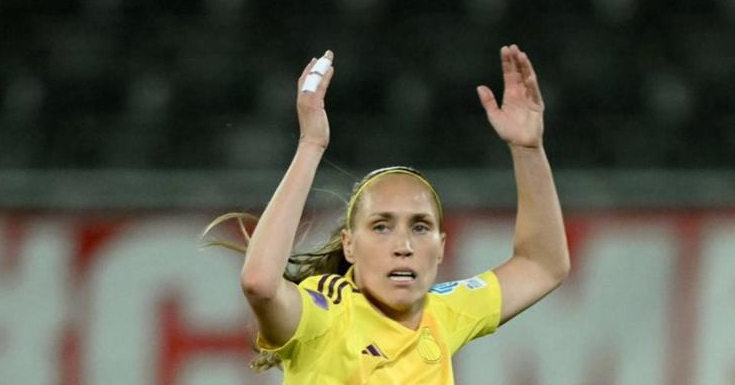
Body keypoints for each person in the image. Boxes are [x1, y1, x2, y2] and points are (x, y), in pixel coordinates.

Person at [204, 45, 570, 384]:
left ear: (441, 248)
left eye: (420, 227)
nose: (403, 245)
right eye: (381, 226)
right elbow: (260, 283)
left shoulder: (443, 311)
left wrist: (528, 150)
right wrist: (310, 145)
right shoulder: (328, 314)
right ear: (349, 245)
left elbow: (543, 264)